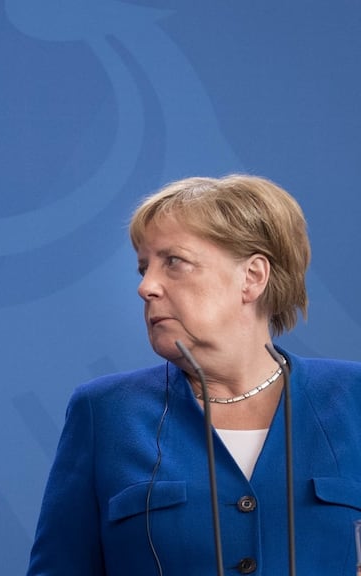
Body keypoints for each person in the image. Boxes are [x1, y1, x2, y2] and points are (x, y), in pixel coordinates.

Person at [27, 174, 361, 575]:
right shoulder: (105, 413)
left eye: (174, 262)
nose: (146, 287)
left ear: (252, 277)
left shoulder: (353, 398)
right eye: (144, 268)